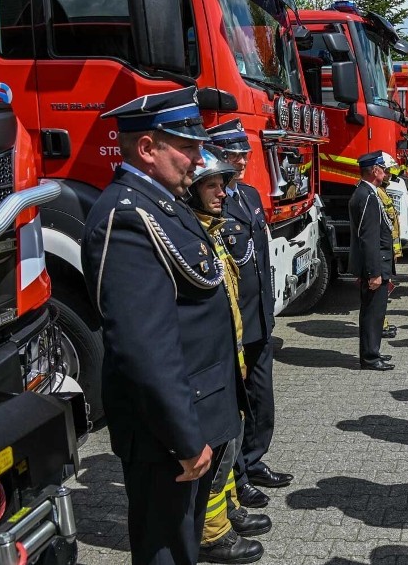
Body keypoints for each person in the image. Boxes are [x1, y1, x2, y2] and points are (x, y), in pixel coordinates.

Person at [81, 86, 244, 565]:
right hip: (167, 430)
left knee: (185, 542)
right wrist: (184, 438)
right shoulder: (127, 216)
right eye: (188, 147)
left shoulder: (162, 203)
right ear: (148, 149)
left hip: (193, 412)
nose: (199, 160)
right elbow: (143, 347)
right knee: (166, 550)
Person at [205, 119, 294, 511]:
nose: (240, 161)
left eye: (244, 153)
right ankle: (237, 477)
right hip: (235, 323)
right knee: (237, 405)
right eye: (232, 154)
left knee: (262, 399)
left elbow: (262, 261)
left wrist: (270, 311)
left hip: (258, 318)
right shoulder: (209, 203)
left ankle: (255, 460)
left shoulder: (251, 196)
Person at [186, 148, 267, 565]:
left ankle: (229, 513)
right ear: (193, 190)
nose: (222, 193)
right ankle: (213, 536)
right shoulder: (191, 234)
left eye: (223, 185)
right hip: (209, 365)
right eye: (212, 186)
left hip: (229, 356)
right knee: (216, 449)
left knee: (231, 440)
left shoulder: (210, 229)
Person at [349, 151, 396, 371]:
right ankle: (369, 357)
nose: (386, 173)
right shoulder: (366, 196)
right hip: (376, 266)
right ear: (375, 170)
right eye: (383, 169)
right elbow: (368, 239)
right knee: (372, 313)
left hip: (378, 264)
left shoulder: (370, 193)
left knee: (376, 313)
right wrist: (374, 272)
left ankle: (373, 351)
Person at [376, 152, 403, 340]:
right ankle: (379, 325)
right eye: (387, 172)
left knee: (385, 290)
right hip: (382, 253)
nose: (390, 176)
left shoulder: (382, 192)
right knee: (379, 291)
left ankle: (381, 323)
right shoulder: (376, 193)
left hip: (388, 252)